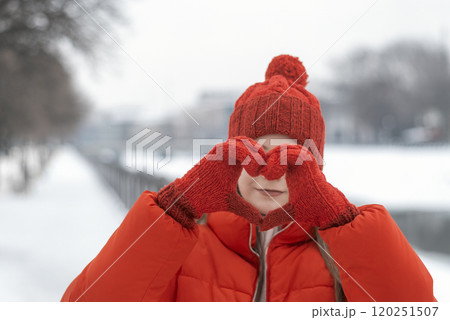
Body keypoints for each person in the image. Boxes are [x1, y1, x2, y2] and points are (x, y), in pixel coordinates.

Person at [61, 54, 436, 302]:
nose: (271, 168)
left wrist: (340, 220)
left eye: (293, 157)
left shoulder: (342, 250)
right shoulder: (185, 244)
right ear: (230, 156)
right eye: (256, 151)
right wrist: (177, 207)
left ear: (316, 168)